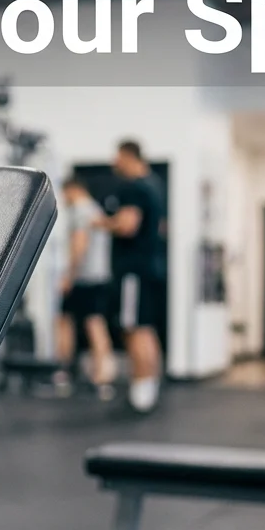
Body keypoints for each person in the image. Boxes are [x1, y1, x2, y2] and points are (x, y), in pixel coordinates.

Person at [99, 140, 167, 413]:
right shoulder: (154, 185)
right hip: (150, 268)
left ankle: (140, 392)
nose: (114, 164)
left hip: (133, 271)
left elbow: (127, 226)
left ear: (129, 156)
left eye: (118, 157)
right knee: (146, 328)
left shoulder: (133, 187)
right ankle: (149, 387)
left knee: (133, 329)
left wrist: (100, 221)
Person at [54, 176, 116, 401]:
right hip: (98, 277)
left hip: (83, 278)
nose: (64, 198)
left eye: (65, 194)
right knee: (88, 322)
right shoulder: (95, 209)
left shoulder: (80, 211)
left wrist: (69, 276)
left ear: (73, 190)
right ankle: (102, 378)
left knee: (72, 323)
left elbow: (80, 244)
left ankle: (64, 374)